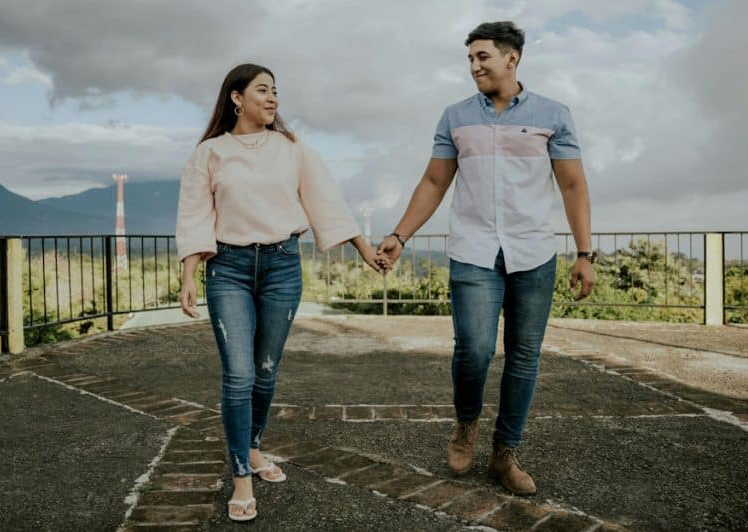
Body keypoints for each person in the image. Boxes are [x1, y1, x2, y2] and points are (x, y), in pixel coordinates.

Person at [376, 21, 596, 496]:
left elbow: (573, 185)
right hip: (473, 251)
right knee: (474, 350)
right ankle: (466, 426)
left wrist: (584, 253)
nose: (474, 66)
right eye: (470, 59)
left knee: (523, 356)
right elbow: (434, 182)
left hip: (534, 252)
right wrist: (401, 234)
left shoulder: (553, 114)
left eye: (482, 57)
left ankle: (504, 452)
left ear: (510, 58)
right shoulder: (455, 117)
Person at [176, 63, 381, 521]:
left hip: (282, 267)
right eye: (262, 90)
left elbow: (325, 200)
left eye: (275, 92)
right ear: (236, 97)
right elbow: (194, 216)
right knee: (239, 374)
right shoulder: (209, 153)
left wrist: (365, 249)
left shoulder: (292, 149)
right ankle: (241, 476)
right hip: (226, 269)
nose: (272, 99)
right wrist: (189, 275)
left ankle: (252, 445)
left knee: (266, 371)